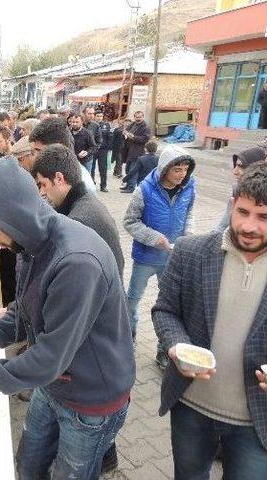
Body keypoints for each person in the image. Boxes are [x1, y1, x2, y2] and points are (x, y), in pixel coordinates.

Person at [0, 157, 135, 480]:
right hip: (55, 383)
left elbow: (48, 357)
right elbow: (24, 308)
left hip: (90, 398)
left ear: (14, 216)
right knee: (28, 465)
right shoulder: (31, 243)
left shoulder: (75, 262)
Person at [152, 163, 267, 479]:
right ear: (232, 204)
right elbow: (165, 311)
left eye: (264, 217)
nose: (249, 226)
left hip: (256, 421)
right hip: (191, 406)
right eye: (243, 211)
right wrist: (175, 346)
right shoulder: (191, 252)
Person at [31, 144, 125, 473]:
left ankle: (104, 454)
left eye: (42, 185)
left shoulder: (81, 221)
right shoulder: (79, 207)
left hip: (89, 376)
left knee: (75, 465)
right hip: (72, 372)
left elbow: (64, 325)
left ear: (59, 178)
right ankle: (105, 454)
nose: (40, 194)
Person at [123, 144, 196, 368]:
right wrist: (156, 239)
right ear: (165, 168)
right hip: (145, 257)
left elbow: (189, 215)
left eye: (185, 169)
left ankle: (164, 350)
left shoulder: (190, 187)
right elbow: (129, 222)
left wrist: (188, 239)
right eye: (177, 170)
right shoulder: (144, 190)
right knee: (132, 301)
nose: (182, 174)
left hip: (173, 259)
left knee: (171, 305)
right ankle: (128, 337)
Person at [33, 144, 125, 279]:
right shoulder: (85, 203)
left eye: (43, 184)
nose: (42, 192)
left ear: (59, 179)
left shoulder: (78, 222)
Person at [30, 117, 96, 194]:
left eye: (39, 151)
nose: (35, 156)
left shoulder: (82, 188)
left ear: (58, 148)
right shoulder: (49, 170)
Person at [218, 146, 267, 231]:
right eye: (235, 165)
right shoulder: (237, 189)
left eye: (241, 166)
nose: (235, 172)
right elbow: (223, 226)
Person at [122, 111, 151, 177]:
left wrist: (134, 137)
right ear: (134, 117)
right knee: (127, 169)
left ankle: (131, 187)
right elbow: (126, 130)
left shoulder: (145, 127)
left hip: (137, 152)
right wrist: (125, 133)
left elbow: (145, 139)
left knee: (132, 171)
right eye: (137, 117)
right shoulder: (133, 124)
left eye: (140, 117)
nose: (138, 119)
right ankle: (128, 185)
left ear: (143, 117)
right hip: (129, 151)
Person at [82, 106, 103, 182]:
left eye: (93, 114)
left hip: (88, 158)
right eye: (89, 113)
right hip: (75, 157)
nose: (92, 116)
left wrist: (89, 152)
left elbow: (99, 142)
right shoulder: (77, 123)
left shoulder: (95, 126)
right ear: (83, 114)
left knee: (86, 179)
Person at [95, 111, 112, 192]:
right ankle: (92, 184)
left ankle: (103, 185)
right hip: (93, 149)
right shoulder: (91, 125)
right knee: (91, 168)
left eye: (101, 116)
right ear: (95, 116)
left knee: (103, 168)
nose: (99, 118)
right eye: (98, 116)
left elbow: (110, 137)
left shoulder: (106, 125)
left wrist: (108, 148)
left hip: (103, 150)